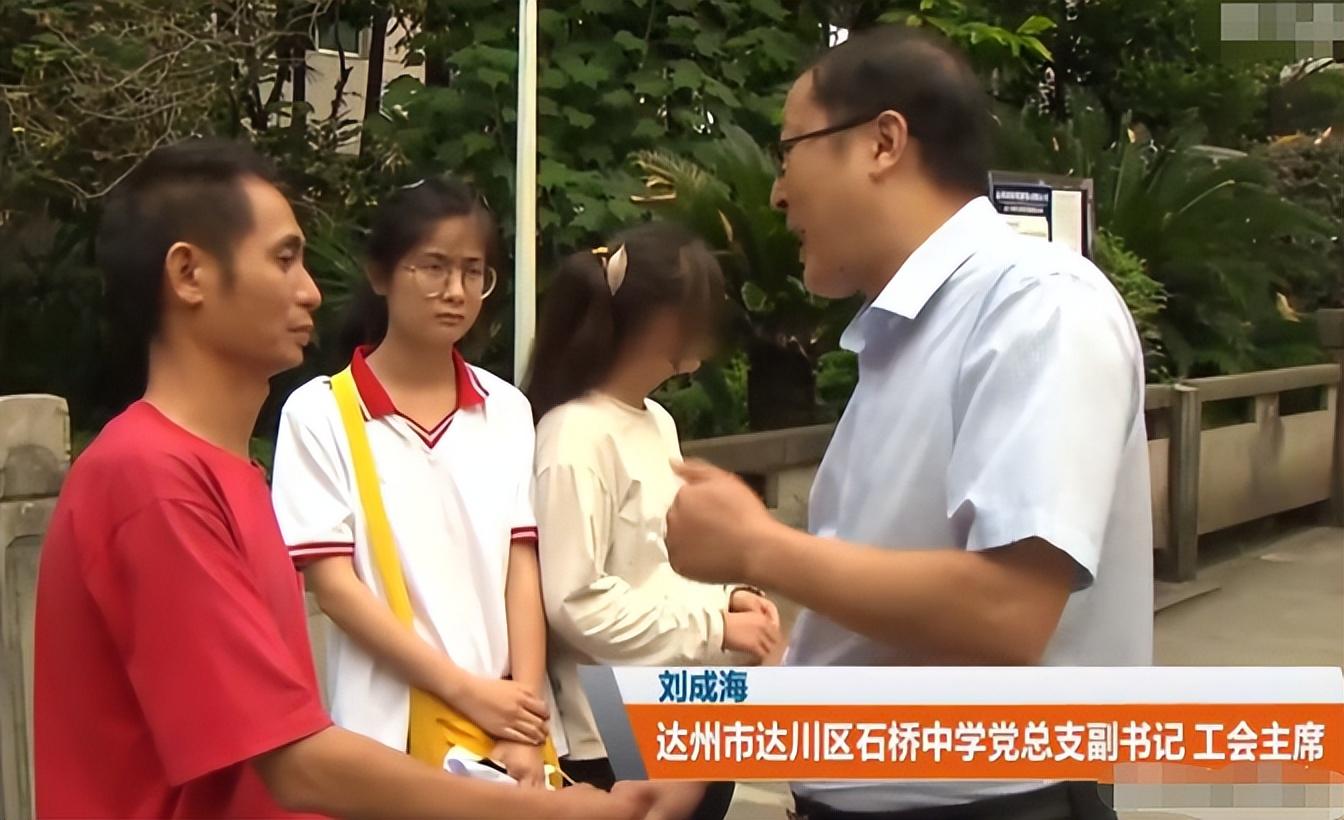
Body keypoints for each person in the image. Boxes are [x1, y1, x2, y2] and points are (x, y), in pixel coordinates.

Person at [33, 139, 643, 820]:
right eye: (283, 259)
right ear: (189, 274)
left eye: (474, 271)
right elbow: (293, 762)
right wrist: (553, 810)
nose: (311, 290)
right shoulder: (155, 481)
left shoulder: (224, 471)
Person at [663, 26, 1152, 820]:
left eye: (789, 153)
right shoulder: (905, 336)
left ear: (882, 143)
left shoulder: (1037, 303)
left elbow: (1007, 612)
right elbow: (865, 639)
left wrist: (759, 547)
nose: (778, 194)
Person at [271, 176, 567, 789]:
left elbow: (522, 567)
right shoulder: (320, 413)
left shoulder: (506, 409)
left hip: (508, 736)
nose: (454, 291)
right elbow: (336, 589)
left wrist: (522, 716)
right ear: (380, 274)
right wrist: (468, 692)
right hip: (385, 737)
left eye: (472, 271)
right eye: (432, 267)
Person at [527, 222, 783, 818]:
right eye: (700, 310)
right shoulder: (573, 436)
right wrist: (716, 628)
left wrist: (729, 597)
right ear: (659, 321)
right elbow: (575, 602)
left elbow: (659, 564)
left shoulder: (656, 421)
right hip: (614, 738)